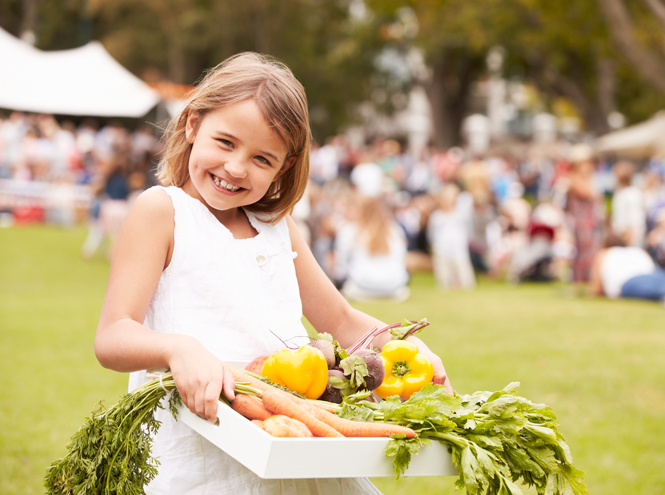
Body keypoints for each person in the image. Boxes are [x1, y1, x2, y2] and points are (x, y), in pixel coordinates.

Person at [93, 53, 450, 495]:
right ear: (192, 125)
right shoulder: (162, 212)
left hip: (288, 438)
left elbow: (339, 320)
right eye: (225, 142)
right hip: (201, 448)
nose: (237, 167)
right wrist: (178, 349)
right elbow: (112, 337)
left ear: (284, 167)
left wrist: (405, 348)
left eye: (262, 158)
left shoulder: (277, 226)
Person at [334, 195, 410, 301]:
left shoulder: (349, 230)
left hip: (361, 286)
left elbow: (341, 265)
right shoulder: (394, 230)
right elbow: (402, 258)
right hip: (393, 287)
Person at [590, 233, 665, 302]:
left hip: (629, 283)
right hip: (655, 274)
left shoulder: (604, 253)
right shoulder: (638, 250)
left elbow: (597, 290)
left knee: (657, 290)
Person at [427, 183, 476, 290]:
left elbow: (468, 230)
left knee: (465, 278)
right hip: (441, 250)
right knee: (443, 279)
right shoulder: (436, 216)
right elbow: (432, 234)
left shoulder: (461, 215)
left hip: (459, 249)